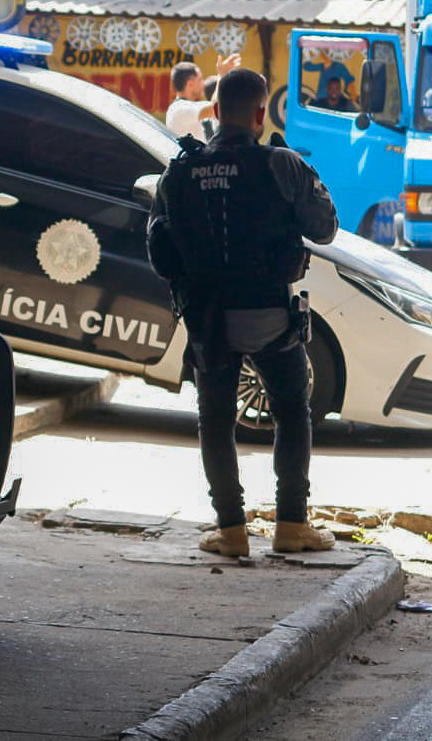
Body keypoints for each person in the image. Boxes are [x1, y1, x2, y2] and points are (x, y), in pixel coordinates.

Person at [147, 68, 340, 557]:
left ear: (213, 113)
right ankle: (292, 525)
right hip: (270, 314)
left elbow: (159, 252)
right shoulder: (282, 163)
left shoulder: (180, 170)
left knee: (215, 419)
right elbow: (325, 229)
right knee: (292, 411)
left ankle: (230, 531)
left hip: (207, 318)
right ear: (259, 114)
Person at [165, 54, 240, 141]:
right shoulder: (178, 109)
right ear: (190, 84)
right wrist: (222, 75)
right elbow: (216, 107)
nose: (203, 84)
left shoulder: (187, 106)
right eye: (200, 80)